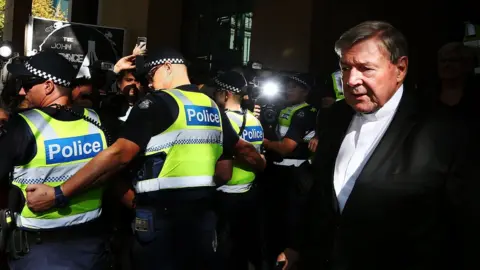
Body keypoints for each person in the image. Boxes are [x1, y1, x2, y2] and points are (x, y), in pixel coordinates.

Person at [24, 47, 265, 270]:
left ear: (168, 68)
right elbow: (225, 170)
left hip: (162, 220)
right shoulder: (211, 106)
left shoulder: (157, 102)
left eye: (151, 75)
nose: (149, 83)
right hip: (203, 219)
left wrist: (59, 193)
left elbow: (119, 154)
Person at [280, 21, 479, 270]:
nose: (351, 80)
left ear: (400, 69)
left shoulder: (446, 130)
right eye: (345, 68)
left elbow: (466, 223)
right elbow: (319, 191)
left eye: (365, 68)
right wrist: (296, 246)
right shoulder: (333, 117)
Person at [0, 50, 110, 269]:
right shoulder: (98, 120)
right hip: (92, 246)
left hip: (40, 251)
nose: (22, 91)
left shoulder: (23, 125)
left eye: (28, 83)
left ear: (49, 86)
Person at [261, 73, 317, 266]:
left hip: (293, 174)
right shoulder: (286, 109)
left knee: (287, 223)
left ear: (305, 91)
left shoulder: (304, 113)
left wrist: (265, 143)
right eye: (288, 86)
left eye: (294, 87)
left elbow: (286, 147)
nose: (288, 89)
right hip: (279, 171)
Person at [213, 71, 265, 270]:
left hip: (225, 196)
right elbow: (260, 155)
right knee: (242, 250)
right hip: (250, 194)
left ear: (225, 94)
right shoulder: (254, 120)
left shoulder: (220, 121)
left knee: (223, 252)